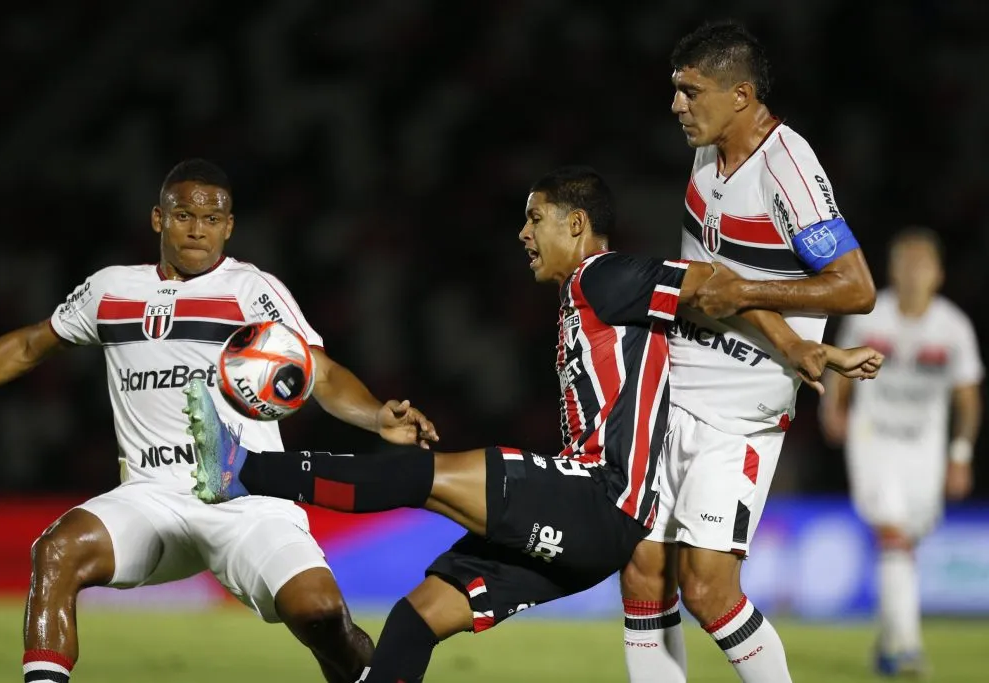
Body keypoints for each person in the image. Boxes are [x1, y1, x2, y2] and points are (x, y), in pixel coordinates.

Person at [183, 166, 881, 683]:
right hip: (585, 523)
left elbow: (711, 285)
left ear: (574, 225)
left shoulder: (604, 276)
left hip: (600, 495)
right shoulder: (583, 296)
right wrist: (790, 342)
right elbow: (707, 298)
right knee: (416, 615)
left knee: (423, 474)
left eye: (535, 217)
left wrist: (795, 342)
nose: (523, 232)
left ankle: (243, 471)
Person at [0, 158, 438, 683]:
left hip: (247, 497)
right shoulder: (111, 290)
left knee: (322, 615)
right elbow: (31, 345)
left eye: (211, 220)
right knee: (55, 551)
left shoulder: (251, 290)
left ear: (229, 227)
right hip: (151, 498)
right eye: (184, 215)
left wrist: (376, 416)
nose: (197, 229)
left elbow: (320, 374)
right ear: (157, 219)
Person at [617, 21, 881, 683]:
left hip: (740, 414)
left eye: (689, 91)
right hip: (676, 389)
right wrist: (793, 339)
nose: (676, 105)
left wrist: (752, 297)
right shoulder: (707, 154)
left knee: (708, 589)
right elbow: (712, 283)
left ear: (740, 95)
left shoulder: (787, 166)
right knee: (642, 568)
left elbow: (856, 286)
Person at [820, 227, 983, 676]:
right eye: (905, 264)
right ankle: (909, 647)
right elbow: (840, 369)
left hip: (925, 448)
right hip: (874, 438)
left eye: (922, 265)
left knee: (906, 542)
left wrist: (960, 455)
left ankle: (889, 641)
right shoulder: (872, 318)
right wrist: (833, 410)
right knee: (891, 534)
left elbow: (967, 397)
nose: (912, 274)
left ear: (938, 274)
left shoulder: (953, 327)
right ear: (891, 270)